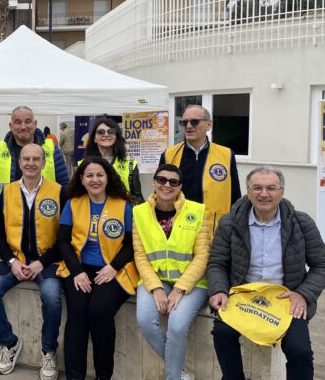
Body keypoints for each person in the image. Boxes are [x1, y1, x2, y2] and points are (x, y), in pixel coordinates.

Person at [207, 166, 325, 380]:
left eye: (271, 188)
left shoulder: (301, 223)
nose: (263, 194)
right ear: (248, 191)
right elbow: (217, 263)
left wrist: (302, 294)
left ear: (281, 191)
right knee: (222, 334)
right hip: (242, 296)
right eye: (257, 188)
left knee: (300, 352)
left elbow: (323, 265)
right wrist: (219, 290)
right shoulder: (230, 223)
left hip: (285, 299)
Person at [0, 144, 63, 380]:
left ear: (43, 162)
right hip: (13, 260)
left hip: (47, 262)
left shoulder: (59, 191)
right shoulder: (6, 192)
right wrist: (10, 261)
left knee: (51, 296)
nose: (30, 163)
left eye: (36, 159)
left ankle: (48, 350)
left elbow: (65, 237)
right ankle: (9, 343)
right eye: (26, 159)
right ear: (19, 163)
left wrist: (42, 262)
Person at [57, 156, 139, 380]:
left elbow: (132, 244)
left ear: (107, 177)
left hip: (114, 270)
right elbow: (63, 241)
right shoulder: (73, 204)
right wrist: (77, 271)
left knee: (99, 312)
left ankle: (104, 375)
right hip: (79, 269)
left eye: (99, 175)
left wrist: (113, 267)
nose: (95, 180)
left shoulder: (123, 205)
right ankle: (75, 376)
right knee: (77, 314)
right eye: (89, 175)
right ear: (81, 179)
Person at [133, 164, 210, 380]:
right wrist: (156, 288)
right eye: (161, 180)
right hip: (155, 279)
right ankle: (180, 371)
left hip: (191, 284)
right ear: (154, 182)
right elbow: (140, 255)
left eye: (173, 182)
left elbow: (202, 256)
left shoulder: (197, 210)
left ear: (180, 187)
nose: (166, 185)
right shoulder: (139, 212)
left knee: (176, 326)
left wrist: (180, 289)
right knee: (145, 321)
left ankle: (173, 377)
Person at [159, 105, 240, 235]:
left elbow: (235, 196)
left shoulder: (226, 155)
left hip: (215, 231)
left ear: (208, 125)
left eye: (194, 121)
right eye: (184, 122)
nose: (189, 126)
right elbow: (159, 195)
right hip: (178, 231)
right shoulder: (169, 155)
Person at [0, 106, 70, 197]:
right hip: (7, 209)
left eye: (28, 121)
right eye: (18, 122)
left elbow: (65, 187)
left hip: (45, 208)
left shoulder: (52, 150)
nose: (23, 126)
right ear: (11, 126)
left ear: (35, 124)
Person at [82, 118, 144, 204]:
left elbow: (138, 197)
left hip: (121, 215)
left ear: (116, 137)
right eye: (100, 132)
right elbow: (78, 195)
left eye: (111, 131)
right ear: (94, 139)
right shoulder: (83, 165)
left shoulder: (130, 165)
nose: (106, 134)